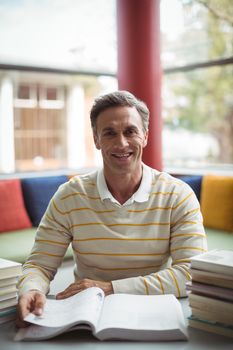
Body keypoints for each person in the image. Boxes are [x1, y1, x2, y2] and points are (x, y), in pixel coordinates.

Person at [16, 90, 207, 327]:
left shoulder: (178, 195)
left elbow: (191, 274)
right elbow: (39, 265)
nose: (121, 143)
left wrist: (108, 288)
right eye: (109, 133)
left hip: (154, 311)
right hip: (86, 316)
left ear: (145, 136)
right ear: (96, 139)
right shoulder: (69, 196)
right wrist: (30, 289)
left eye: (130, 131)